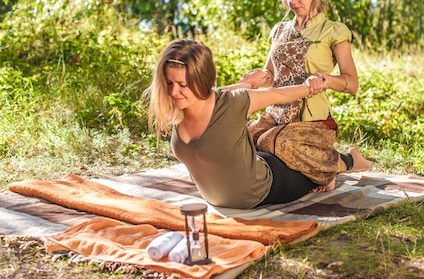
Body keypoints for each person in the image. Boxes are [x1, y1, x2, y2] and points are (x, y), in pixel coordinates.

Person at [142, 38, 366, 209]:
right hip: (250, 166)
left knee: (307, 168)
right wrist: (245, 83)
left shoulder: (233, 104)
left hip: (269, 186)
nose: (173, 91)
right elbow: (215, 93)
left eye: (182, 84)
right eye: (169, 83)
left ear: (201, 80)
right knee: (266, 142)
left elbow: (276, 94)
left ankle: (349, 161)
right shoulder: (180, 108)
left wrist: (311, 87)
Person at [238, 0, 372, 192]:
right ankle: (314, 171)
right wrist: (257, 77)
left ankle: (343, 163)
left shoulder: (332, 31)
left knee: (272, 141)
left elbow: (351, 83)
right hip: (277, 114)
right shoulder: (280, 30)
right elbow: (270, 73)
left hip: (312, 121)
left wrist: (327, 80)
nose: (294, 0)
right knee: (245, 137)